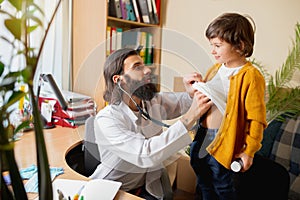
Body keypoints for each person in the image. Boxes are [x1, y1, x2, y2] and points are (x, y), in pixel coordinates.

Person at [90, 48, 213, 200]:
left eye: (144, 65)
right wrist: (190, 117)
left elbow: (182, 103)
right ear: (119, 79)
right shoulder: (107, 119)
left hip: (146, 184)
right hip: (115, 189)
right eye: (137, 67)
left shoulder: (151, 101)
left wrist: (191, 93)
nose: (148, 70)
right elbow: (145, 154)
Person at [190, 12, 267, 200]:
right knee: (203, 181)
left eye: (218, 46)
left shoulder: (250, 76)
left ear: (239, 46)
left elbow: (256, 119)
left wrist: (249, 151)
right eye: (211, 46)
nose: (213, 51)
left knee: (222, 185)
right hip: (202, 134)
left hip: (225, 140)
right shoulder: (216, 68)